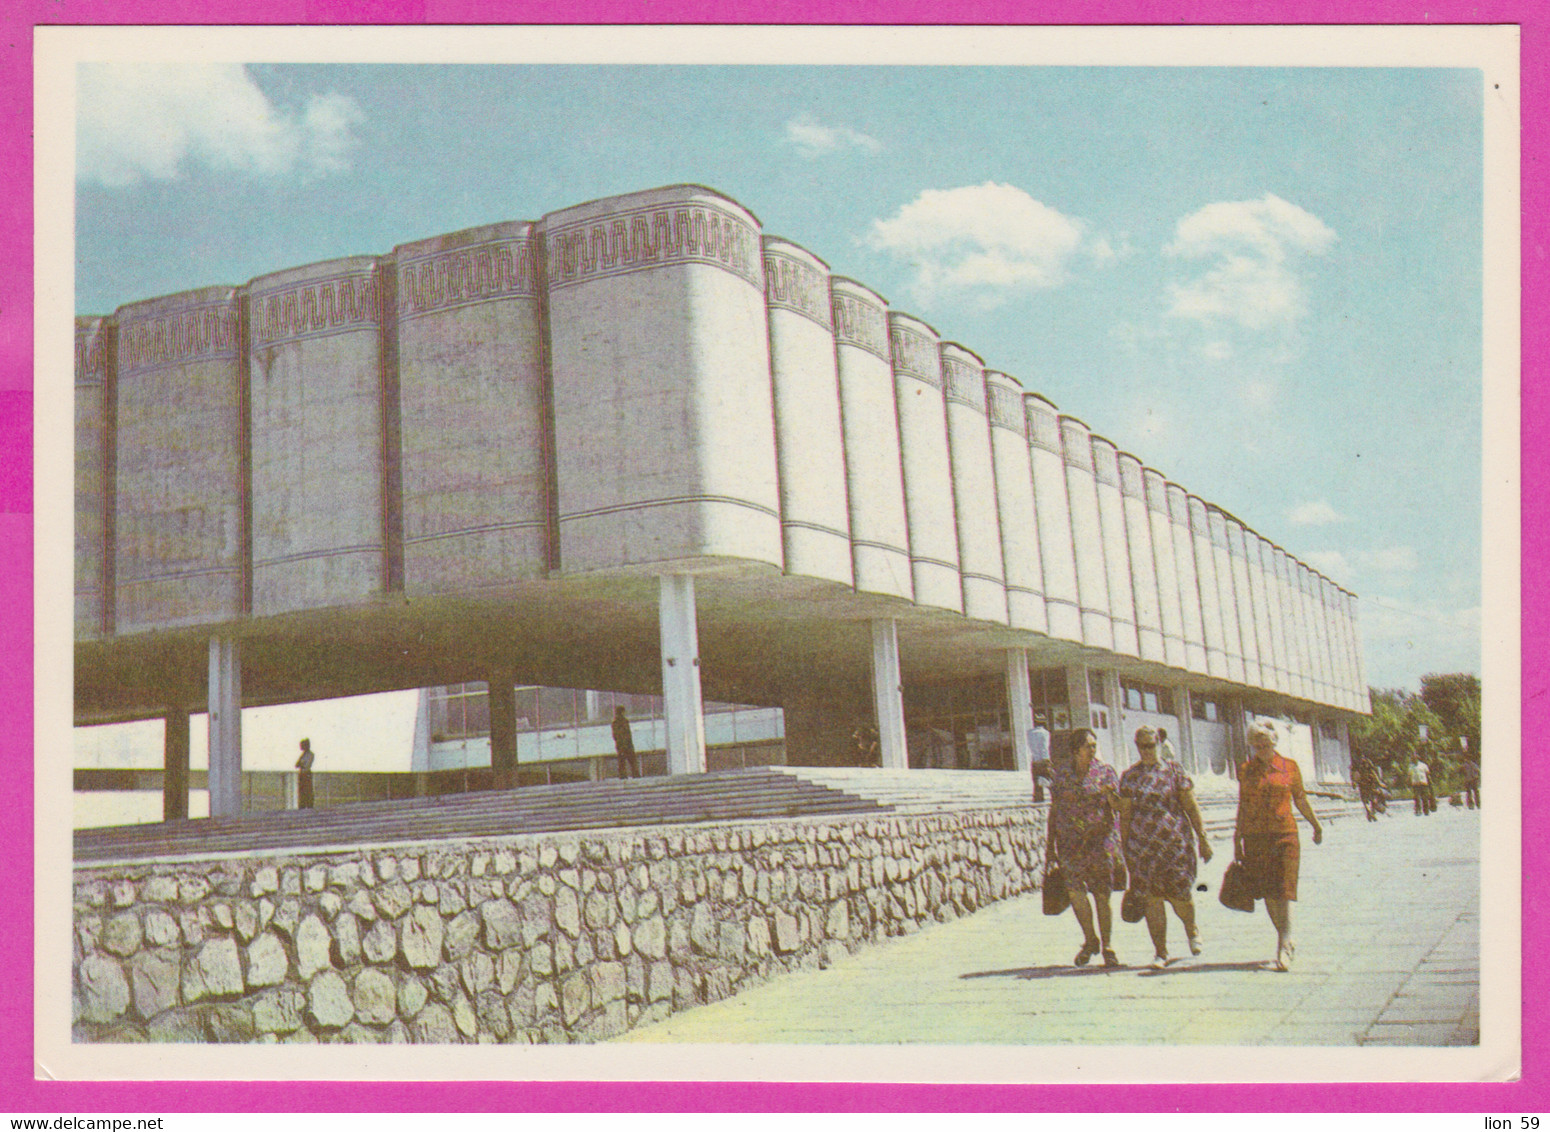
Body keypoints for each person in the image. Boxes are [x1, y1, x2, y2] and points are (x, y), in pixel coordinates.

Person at [1032, 727, 1127, 968]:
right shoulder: (1062, 776)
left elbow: (1118, 806)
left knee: (1102, 895)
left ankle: (1107, 946)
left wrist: (1110, 796)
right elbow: (1055, 810)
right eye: (1088, 746)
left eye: (1094, 745)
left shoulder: (1105, 773)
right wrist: (1050, 845)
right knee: (1076, 893)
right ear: (1075, 750)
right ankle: (1090, 939)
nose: (1093, 750)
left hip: (1099, 843)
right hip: (1069, 844)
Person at [1119, 726, 1213, 969]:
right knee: (1152, 899)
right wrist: (1126, 846)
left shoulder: (1174, 771)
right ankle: (1160, 952)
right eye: (1142, 746)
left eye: (1151, 745)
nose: (1147, 751)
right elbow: (1126, 815)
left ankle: (1191, 928)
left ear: (1160, 743)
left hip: (1175, 845)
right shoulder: (1130, 777)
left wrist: (1202, 837)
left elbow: (1191, 807)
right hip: (1144, 847)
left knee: (1180, 894)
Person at [1233, 720, 1323, 971]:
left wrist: (1316, 825)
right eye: (1256, 744)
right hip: (1255, 837)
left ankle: (1283, 942)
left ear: (1275, 741)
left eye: (1265, 743)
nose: (1261, 748)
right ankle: (1286, 938)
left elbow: (1301, 798)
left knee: (1283, 889)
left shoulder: (1289, 767)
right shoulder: (1246, 770)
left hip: (1285, 834)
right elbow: (1242, 805)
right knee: (1267, 892)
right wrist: (1236, 840)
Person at [612, 706, 640, 779]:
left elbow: (615, 735)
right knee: (631, 761)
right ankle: (634, 775)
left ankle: (623, 775)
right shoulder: (623, 722)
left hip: (621, 745)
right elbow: (626, 734)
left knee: (622, 762)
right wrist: (627, 743)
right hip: (626, 745)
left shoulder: (615, 722)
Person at [295, 738, 315, 809]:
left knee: (308, 791)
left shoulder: (310, 754)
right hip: (302, 774)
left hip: (306, 774)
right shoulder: (303, 755)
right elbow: (296, 764)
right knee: (301, 792)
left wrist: (301, 764)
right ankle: (302, 805)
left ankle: (309, 805)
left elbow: (306, 765)